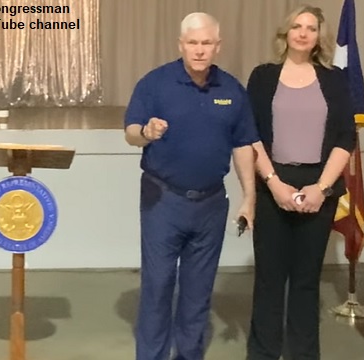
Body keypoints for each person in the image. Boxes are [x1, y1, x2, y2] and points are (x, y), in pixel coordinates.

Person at [123, 12, 259, 360]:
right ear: (181, 45)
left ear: (218, 46)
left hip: (212, 205)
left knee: (198, 293)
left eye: (206, 43)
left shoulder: (232, 89)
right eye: (193, 43)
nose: (199, 50)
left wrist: (249, 198)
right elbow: (130, 133)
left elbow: (244, 144)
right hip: (162, 202)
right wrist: (146, 133)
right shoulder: (155, 83)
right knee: (157, 287)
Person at [244, 5, 356, 360]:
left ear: (318, 37)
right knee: (269, 281)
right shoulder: (263, 77)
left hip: (317, 186)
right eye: (297, 26)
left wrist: (321, 189)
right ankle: (263, 354)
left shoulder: (335, 79)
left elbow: (344, 138)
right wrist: (274, 183)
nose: (303, 33)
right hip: (272, 180)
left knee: (307, 283)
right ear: (286, 33)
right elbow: (251, 135)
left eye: (311, 28)